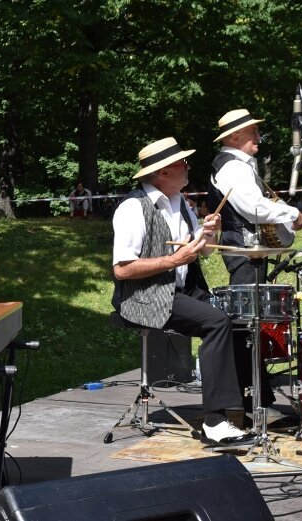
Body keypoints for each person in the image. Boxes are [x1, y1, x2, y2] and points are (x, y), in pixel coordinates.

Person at [111, 137, 253, 446]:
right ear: (163, 172)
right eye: (182, 163)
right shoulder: (133, 208)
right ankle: (215, 422)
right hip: (144, 296)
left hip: (180, 290)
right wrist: (172, 260)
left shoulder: (182, 204)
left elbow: (200, 253)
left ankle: (250, 408)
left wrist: (207, 233)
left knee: (241, 318)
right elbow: (121, 269)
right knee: (216, 322)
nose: (188, 167)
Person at [206, 109, 302, 417]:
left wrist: (286, 223)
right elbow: (253, 208)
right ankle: (248, 403)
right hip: (243, 252)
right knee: (245, 328)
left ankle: (258, 401)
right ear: (234, 137)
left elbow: (256, 211)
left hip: (249, 251)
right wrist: (292, 214)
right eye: (253, 132)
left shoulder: (240, 166)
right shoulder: (232, 168)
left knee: (251, 327)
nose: (258, 137)